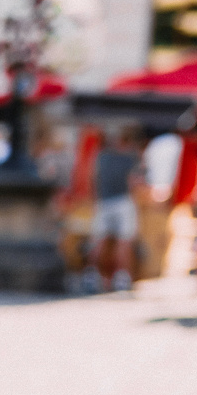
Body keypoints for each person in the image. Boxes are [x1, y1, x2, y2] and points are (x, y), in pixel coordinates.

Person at [87, 124, 143, 292]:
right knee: (123, 241)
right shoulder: (130, 157)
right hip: (123, 201)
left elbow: (92, 178)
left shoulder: (101, 156)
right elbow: (134, 182)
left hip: (103, 201)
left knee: (99, 240)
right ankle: (122, 278)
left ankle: (92, 275)